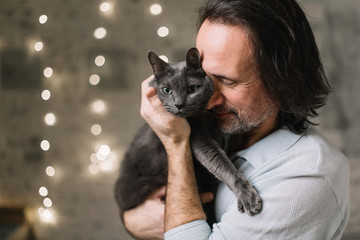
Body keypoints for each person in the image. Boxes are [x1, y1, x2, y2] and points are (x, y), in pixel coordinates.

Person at [122, 0, 350, 239]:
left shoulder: (307, 179)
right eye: (206, 79)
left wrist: (176, 144)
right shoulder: (217, 127)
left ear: (284, 82)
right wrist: (131, 220)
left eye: (229, 82)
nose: (208, 101)